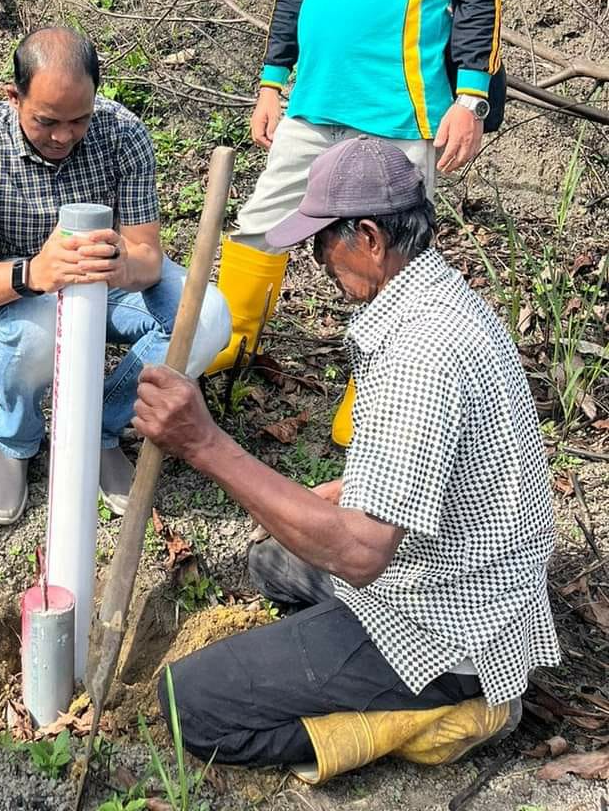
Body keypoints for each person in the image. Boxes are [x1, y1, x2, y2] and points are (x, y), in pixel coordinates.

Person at [136, 135, 558, 784]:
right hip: (471, 577)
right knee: (272, 562)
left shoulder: (421, 354)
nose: (317, 260)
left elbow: (360, 556)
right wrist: (354, 490)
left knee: (185, 703)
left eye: (320, 242)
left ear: (367, 237)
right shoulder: (440, 300)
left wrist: (205, 443)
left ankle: (435, 715)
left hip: (445, 627)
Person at [211, 0, 501, 447]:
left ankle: (377, 397)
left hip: (402, 117)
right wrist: (271, 82)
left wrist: (472, 99)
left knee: (391, 265)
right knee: (258, 227)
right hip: (312, 105)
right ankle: (226, 349)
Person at [0, 26, 230, 525]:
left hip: (106, 285)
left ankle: (101, 427)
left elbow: (148, 257)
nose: (64, 136)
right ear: (14, 96)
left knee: (207, 318)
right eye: (47, 120)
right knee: (31, 337)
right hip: (20, 290)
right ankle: (16, 439)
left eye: (79, 119)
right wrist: (35, 271)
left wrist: (125, 264)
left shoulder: (123, 132)